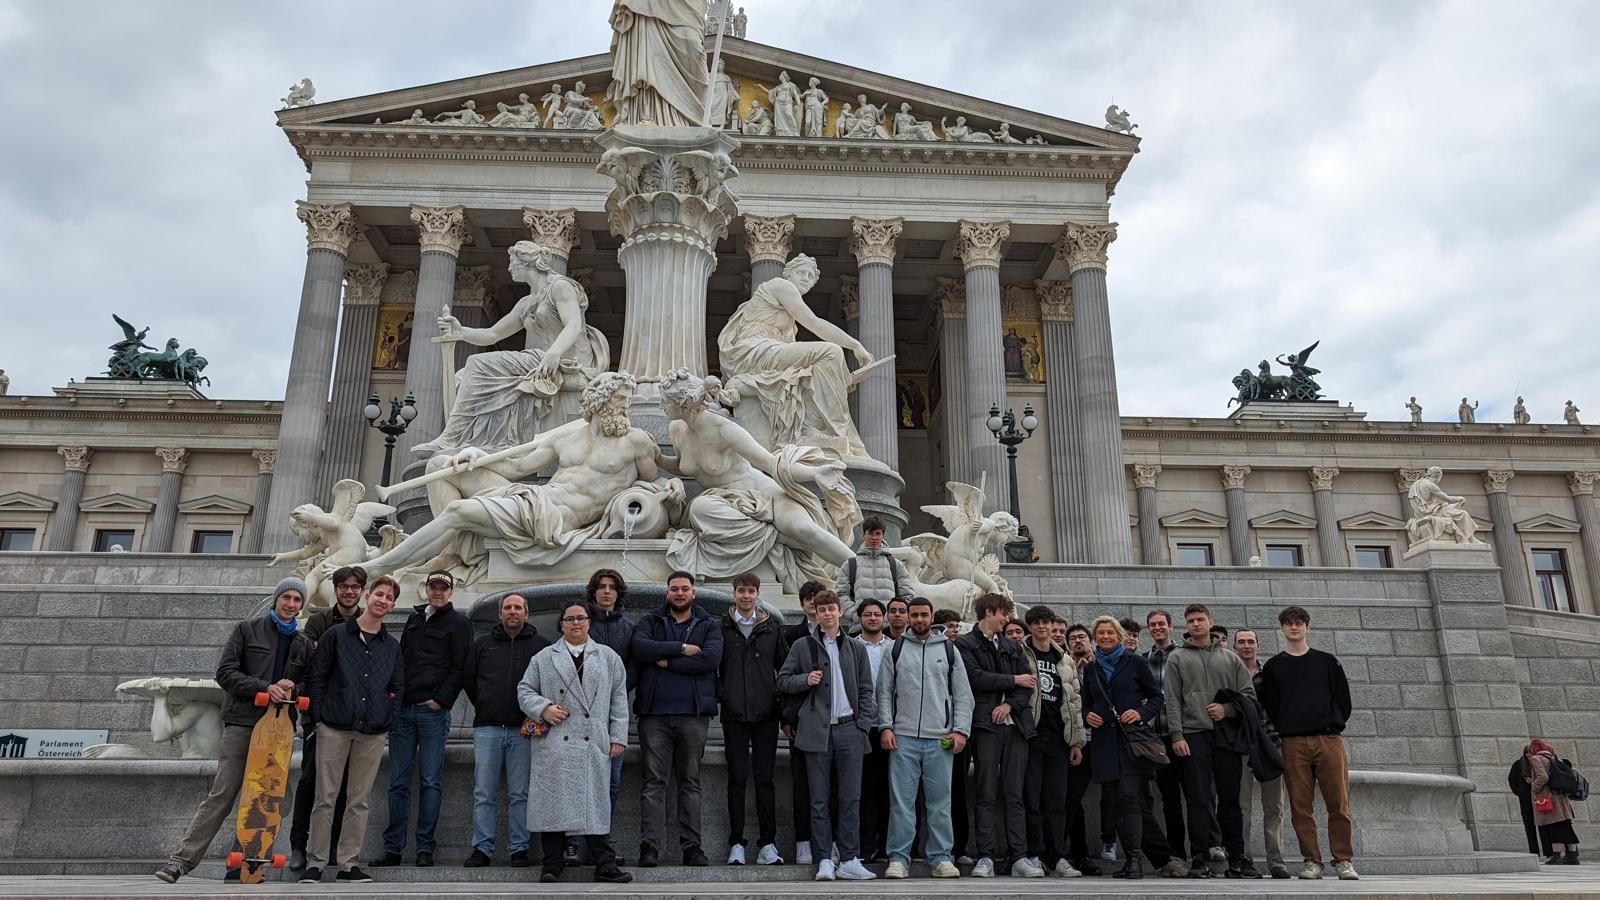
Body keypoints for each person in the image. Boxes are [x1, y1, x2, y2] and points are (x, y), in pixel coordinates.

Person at [155, 578, 314, 884]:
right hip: (243, 721)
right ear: (276, 599)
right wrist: (264, 687)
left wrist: (293, 686)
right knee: (224, 792)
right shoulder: (247, 630)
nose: (291, 604)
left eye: (297, 600)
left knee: (264, 796)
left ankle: (244, 865)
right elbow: (225, 674)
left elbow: (311, 683)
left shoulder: (304, 643)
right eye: (286, 597)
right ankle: (180, 861)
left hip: (278, 728)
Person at [517, 600, 634, 883]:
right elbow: (524, 690)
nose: (576, 623)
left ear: (589, 622)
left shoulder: (607, 657)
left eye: (581, 618)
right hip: (555, 742)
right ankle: (552, 865)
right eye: (570, 619)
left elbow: (619, 699)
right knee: (553, 805)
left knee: (593, 804)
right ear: (561, 624)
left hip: (593, 741)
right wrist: (544, 708)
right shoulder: (544, 657)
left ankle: (604, 864)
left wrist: (618, 736)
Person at [301, 574, 404, 885]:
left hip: (372, 730)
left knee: (359, 800)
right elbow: (317, 676)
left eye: (389, 597)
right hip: (333, 726)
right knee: (325, 797)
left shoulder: (391, 646)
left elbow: (398, 687)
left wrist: (388, 721)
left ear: (392, 606)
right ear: (367, 596)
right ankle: (316, 862)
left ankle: (349, 864)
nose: (383, 600)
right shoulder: (336, 635)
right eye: (379, 594)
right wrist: (317, 719)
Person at [777, 590, 878, 881]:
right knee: (818, 798)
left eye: (831, 609)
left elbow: (866, 689)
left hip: (849, 728)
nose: (827, 614)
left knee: (850, 798)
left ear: (839, 612)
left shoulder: (855, 647)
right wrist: (805, 680)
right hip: (816, 730)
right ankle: (824, 858)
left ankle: (849, 858)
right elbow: (782, 680)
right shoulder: (802, 646)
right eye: (822, 610)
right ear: (816, 613)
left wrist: (863, 725)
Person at [376, 571, 472, 868]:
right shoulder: (415, 619)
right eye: (434, 587)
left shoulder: (460, 623)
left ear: (451, 592)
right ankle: (393, 848)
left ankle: (424, 848)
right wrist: (395, 696)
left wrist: (441, 700)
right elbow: (401, 660)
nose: (438, 592)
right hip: (404, 710)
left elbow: (460, 667)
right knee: (398, 783)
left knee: (431, 782)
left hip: (433, 712)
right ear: (426, 590)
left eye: (444, 587)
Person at [630, 571, 724, 867]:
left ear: (694, 593)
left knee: (690, 782)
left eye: (685, 589)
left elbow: (709, 660)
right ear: (667, 592)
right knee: (653, 783)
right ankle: (650, 846)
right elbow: (641, 648)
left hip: (693, 715)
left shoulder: (709, 624)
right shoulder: (650, 621)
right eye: (674, 589)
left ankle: (692, 847)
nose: (680, 593)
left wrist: (666, 662)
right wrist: (682, 649)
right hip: (653, 716)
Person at [877, 596, 973, 879]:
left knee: (940, 804)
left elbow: (963, 695)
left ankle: (941, 857)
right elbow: (884, 692)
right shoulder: (894, 648)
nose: (919, 619)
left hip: (939, 739)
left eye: (924, 615)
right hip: (903, 737)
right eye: (914, 615)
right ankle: (898, 858)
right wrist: (886, 726)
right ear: (908, 617)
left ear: (932, 617)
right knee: (901, 803)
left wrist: (960, 730)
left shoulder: (949, 649)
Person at [1257, 605, 1356, 880]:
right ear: (1282, 628)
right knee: (1301, 807)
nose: (1294, 627)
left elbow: (1343, 699)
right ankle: (1312, 861)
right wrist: (1288, 726)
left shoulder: (1327, 661)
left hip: (1328, 739)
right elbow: (1270, 704)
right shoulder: (1274, 666)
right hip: (1293, 743)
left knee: (1338, 804)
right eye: (1288, 623)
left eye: (1299, 622)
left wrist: (1333, 724)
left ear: (1308, 627)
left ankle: (1343, 860)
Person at [1163, 603, 1258, 878]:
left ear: (1210, 622)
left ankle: (1237, 859)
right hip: (1192, 735)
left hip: (1226, 736)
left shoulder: (1231, 658)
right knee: (1198, 800)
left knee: (1230, 799)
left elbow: (1248, 696)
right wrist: (1177, 735)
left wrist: (1227, 710)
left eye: (1200, 619)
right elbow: (1172, 700)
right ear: (1186, 625)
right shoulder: (1177, 658)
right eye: (1191, 620)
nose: (1195, 624)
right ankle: (1200, 858)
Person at [461, 593, 550, 867]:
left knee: (520, 794)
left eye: (517, 608)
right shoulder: (482, 644)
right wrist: (486, 705)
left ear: (526, 613)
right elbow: (469, 681)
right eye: (508, 608)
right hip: (487, 728)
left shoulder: (541, 646)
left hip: (523, 730)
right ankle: (482, 848)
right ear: (499, 614)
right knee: (483, 793)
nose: (512, 611)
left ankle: (519, 849)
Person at [287, 566, 366, 872]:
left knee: (344, 786)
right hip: (319, 718)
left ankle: (333, 847)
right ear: (336, 589)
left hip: (351, 719)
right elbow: (310, 664)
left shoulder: (366, 621)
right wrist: (311, 716)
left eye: (355, 587)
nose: (349, 591)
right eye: (344, 586)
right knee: (309, 782)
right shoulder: (318, 621)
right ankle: (298, 846)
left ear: (362, 591)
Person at [955, 593, 1036, 877]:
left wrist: (1009, 704)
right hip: (985, 726)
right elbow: (974, 678)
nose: (1007, 619)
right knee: (986, 792)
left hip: (1016, 727)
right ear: (989, 612)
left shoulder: (1012, 646)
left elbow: (1028, 685)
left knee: (1015, 794)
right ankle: (986, 856)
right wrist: (1013, 680)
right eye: (1003, 614)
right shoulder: (965, 644)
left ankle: (1019, 856)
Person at [1080, 616, 1164, 880]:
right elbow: (1085, 703)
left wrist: (1140, 713)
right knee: (1113, 802)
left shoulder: (1136, 662)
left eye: (1110, 632)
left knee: (1130, 798)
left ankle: (1135, 859)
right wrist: (1087, 716)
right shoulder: (1091, 669)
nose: (1105, 637)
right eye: (1100, 633)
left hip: (1130, 743)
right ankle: (1128, 858)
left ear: (1119, 636)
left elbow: (1156, 697)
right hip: (1104, 743)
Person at [718, 571, 788, 866]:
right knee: (737, 779)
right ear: (733, 593)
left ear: (758, 594)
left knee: (764, 780)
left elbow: (784, 671)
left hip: (766, 714)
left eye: (751, 591)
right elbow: (713, 666)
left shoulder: (772, 628)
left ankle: (767, 843)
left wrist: (783, 712)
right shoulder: (721, 627)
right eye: (741, 591)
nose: (746, 596)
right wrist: (722, 693)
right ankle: (736, 843)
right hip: (734, 714)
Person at [1019, 605, 1084, 879]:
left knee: (1057, 800)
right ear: (1030, 626)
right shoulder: (1020, 653)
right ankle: (1034, 854)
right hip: (1031, 736)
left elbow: (1074, 701)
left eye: (1046, 622)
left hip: (1058, 738)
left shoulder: (1065, 660)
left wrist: (1076, 741)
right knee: (1032, 800)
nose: (1042, 627)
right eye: (1036, 623)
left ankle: (1058, 856)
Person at [1234, 628, 1290, 879]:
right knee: (1242, 806)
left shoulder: (1271, 675)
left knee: (1274, 806)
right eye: (1241, 642)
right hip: (1241, 747)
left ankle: (1276, 861)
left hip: (1271, 745)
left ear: (1258, 645)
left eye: (1250, 642)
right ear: (1235, 647)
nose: (1246, 646)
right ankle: (1244, 859)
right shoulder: (1230, 674)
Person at [584, 568, 634, 831]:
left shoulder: (629, 628)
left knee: (612, 782)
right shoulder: (580, 624)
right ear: (593, 592)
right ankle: (573, 842)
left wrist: (615, 690)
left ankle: (603, 838)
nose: (606, 591)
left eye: (612, 587)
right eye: (601, 586)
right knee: (579, 780)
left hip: (615, 714)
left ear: (618, 593)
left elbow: (635, 666)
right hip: (582, 712)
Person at [1142, 609, 1189, 863]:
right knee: (1169, 799)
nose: (1157, 628)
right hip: (1156, 738)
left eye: (1161, 624)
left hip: (1184, 734)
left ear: (1171, 626)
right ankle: (1176, 851)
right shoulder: (1143, 660)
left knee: (1196, 795)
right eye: (1153, 625)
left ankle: (1205, 849)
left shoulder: (1183, 655)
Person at [783, 580, 825, 864]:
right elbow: (781, 679)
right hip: (801, 719)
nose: (812, 602)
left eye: (817, 597)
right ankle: (803, 841)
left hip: (833, 720)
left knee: (832, 785)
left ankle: (830, 842)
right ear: (802, 604)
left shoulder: (842, 636)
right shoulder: (790, 635)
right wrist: (787, 719)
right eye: (807, 598)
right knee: (802, 785)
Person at [932, 607, 971, 859]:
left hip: (957, 732)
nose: (954, 630)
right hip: (930, 732)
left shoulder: (963, 652)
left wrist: (961, 729)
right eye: (949, 626)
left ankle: (959, 847)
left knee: (957, 790)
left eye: (957, 626)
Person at [855, 598, 891, 862]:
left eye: (877, 614)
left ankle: (888, 846)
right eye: (868, 614)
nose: (873, 618)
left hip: (890, 727)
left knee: (888, 790)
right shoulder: (851, 646)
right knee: (865, 790)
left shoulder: (894, 647)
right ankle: (866, 846)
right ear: (860, 619)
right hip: (863, 728)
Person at [834, 517, 913, 613]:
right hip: (861, 621)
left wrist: (896, 614)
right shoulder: (850, 565)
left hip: (889, 621)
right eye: (870, 533)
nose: (874, 537)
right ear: (864, 535)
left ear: (883, 535)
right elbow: (841, 594)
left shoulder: (896, 565)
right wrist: (854, 615)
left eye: (878, 534)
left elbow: (907, 595)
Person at [1525, 740, 1581, 865]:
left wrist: (1533, 787)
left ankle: (1556, 856)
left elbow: (1543, 777)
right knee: (1566, 826)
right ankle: (1572, 855)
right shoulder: (1553, 757)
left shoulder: (1536, 758)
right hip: (1560, 796)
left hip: (1548, 798)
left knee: (1554, 827)